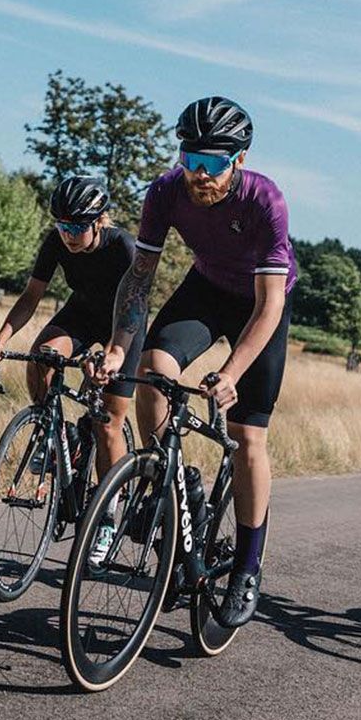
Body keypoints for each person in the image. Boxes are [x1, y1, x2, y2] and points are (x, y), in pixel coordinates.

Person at [91, 96, 297, 628]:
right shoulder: (165, 192)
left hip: (260, 303)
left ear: (239, 160)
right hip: (205, 290)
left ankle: (247, 567)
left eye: (213, 163)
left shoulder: (265, 200)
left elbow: (270, 306)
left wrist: (230, 374)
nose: (199, 174)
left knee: (247, 436)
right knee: (153, 370)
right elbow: (139, 279)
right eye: (190, 159)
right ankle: (170, 476)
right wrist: (118, 345)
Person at [0, 176, 145, 568]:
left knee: (107, 423)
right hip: (82, 314)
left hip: (123, 326)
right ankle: (54, 433)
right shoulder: (56, 241)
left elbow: (133, 308)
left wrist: (110, 354)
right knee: (42, 356)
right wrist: (1, 338)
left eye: (77, 226)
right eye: (62, 225)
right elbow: (31, 296)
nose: (68, 234)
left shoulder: (123, 247)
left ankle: (107, 516)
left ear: (99, 221)